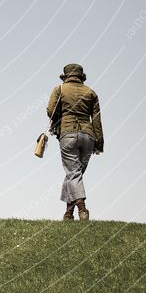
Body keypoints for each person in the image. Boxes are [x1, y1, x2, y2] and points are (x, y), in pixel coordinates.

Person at [47, 63, 104, 221]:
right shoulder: (91, 92)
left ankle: (82, 208)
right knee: (75, 175)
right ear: (81, 77)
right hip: (88, 137)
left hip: (68, 134)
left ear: (66, 76)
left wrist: (60, 116)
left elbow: (50, 111)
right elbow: (97, 120)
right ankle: (68, 213)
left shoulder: (60, 89)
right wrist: (99, 142)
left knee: (73, 174)